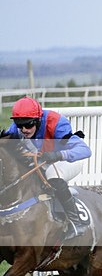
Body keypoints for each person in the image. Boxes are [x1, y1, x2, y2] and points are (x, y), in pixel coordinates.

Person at [5, 96, 92, 239]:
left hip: (68, 161)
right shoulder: (17, 128)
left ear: (38, 120)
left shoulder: (56, 123)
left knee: (52, 174)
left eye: (28, 124)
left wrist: (58, 155)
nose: (24, 130)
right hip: (42, 162)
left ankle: (76, 222)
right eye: (20, 125)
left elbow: (85, 151)